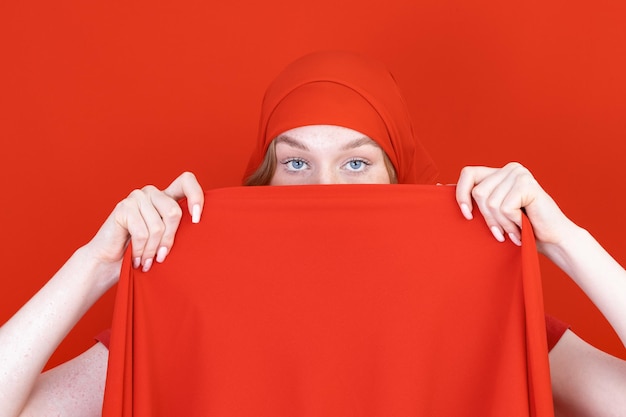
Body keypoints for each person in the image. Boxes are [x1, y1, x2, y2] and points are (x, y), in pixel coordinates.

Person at [1, 51, 625, 417]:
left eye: (357, 161)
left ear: (399, 180)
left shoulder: (487, 318)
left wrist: (563, 240)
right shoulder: (185, 312)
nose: (324, 188)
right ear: (264, 181)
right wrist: (98, 263)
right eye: (295, 162)